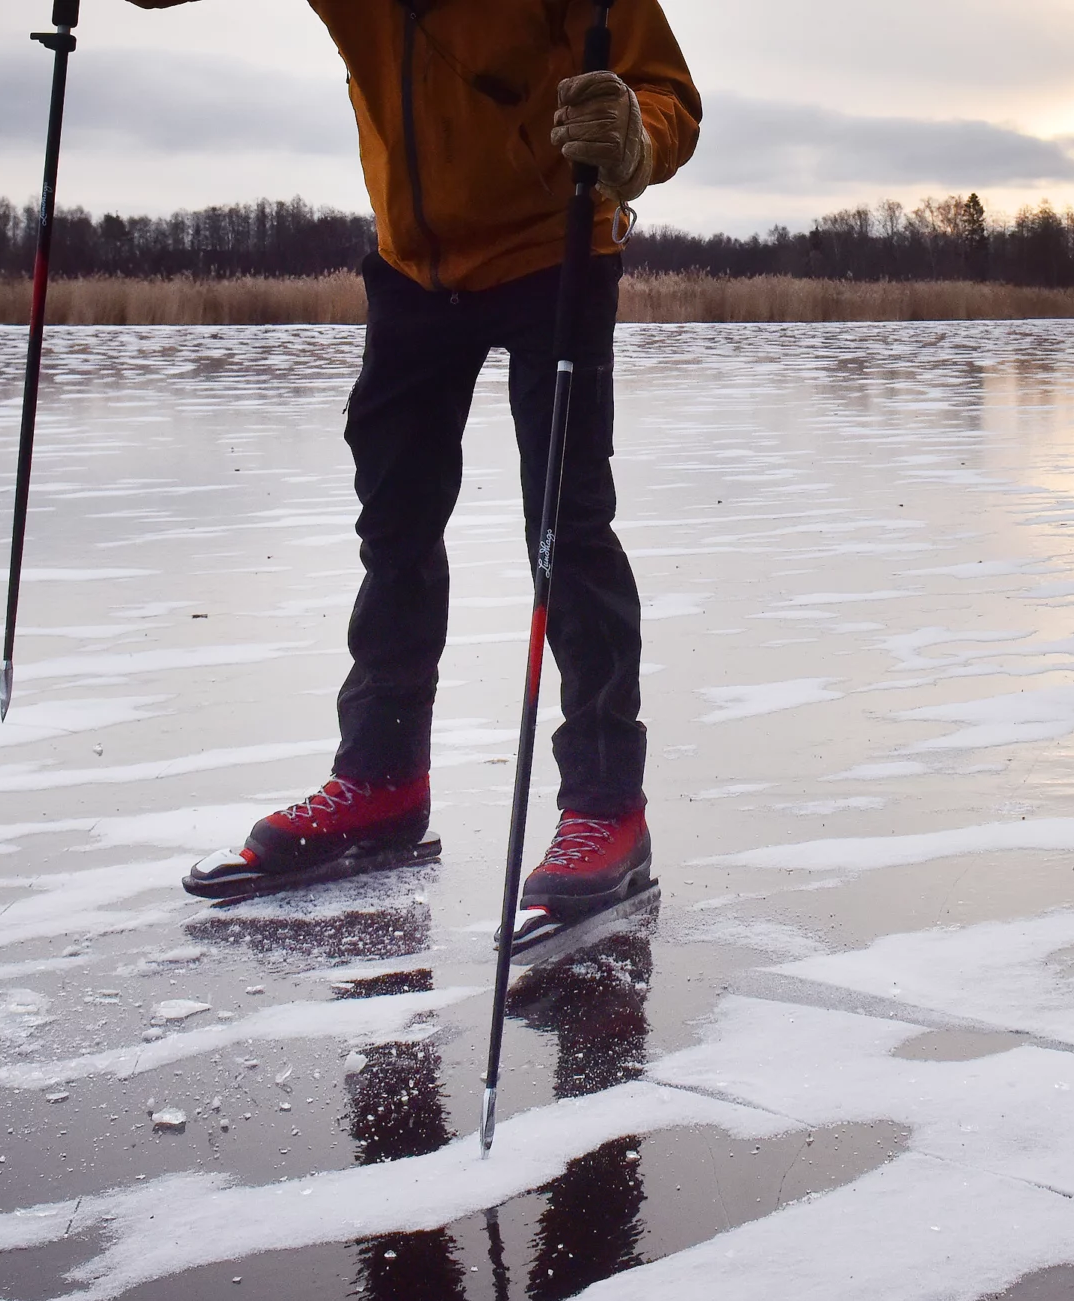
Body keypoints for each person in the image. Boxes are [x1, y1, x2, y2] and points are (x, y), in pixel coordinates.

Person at [152, 0, 700, 926]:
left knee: (565, 527)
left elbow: (667, 95)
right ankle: (382, 782)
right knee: (395, 527)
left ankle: (608, 808)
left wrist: (631, 142)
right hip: (414, 266)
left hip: (554, 250)